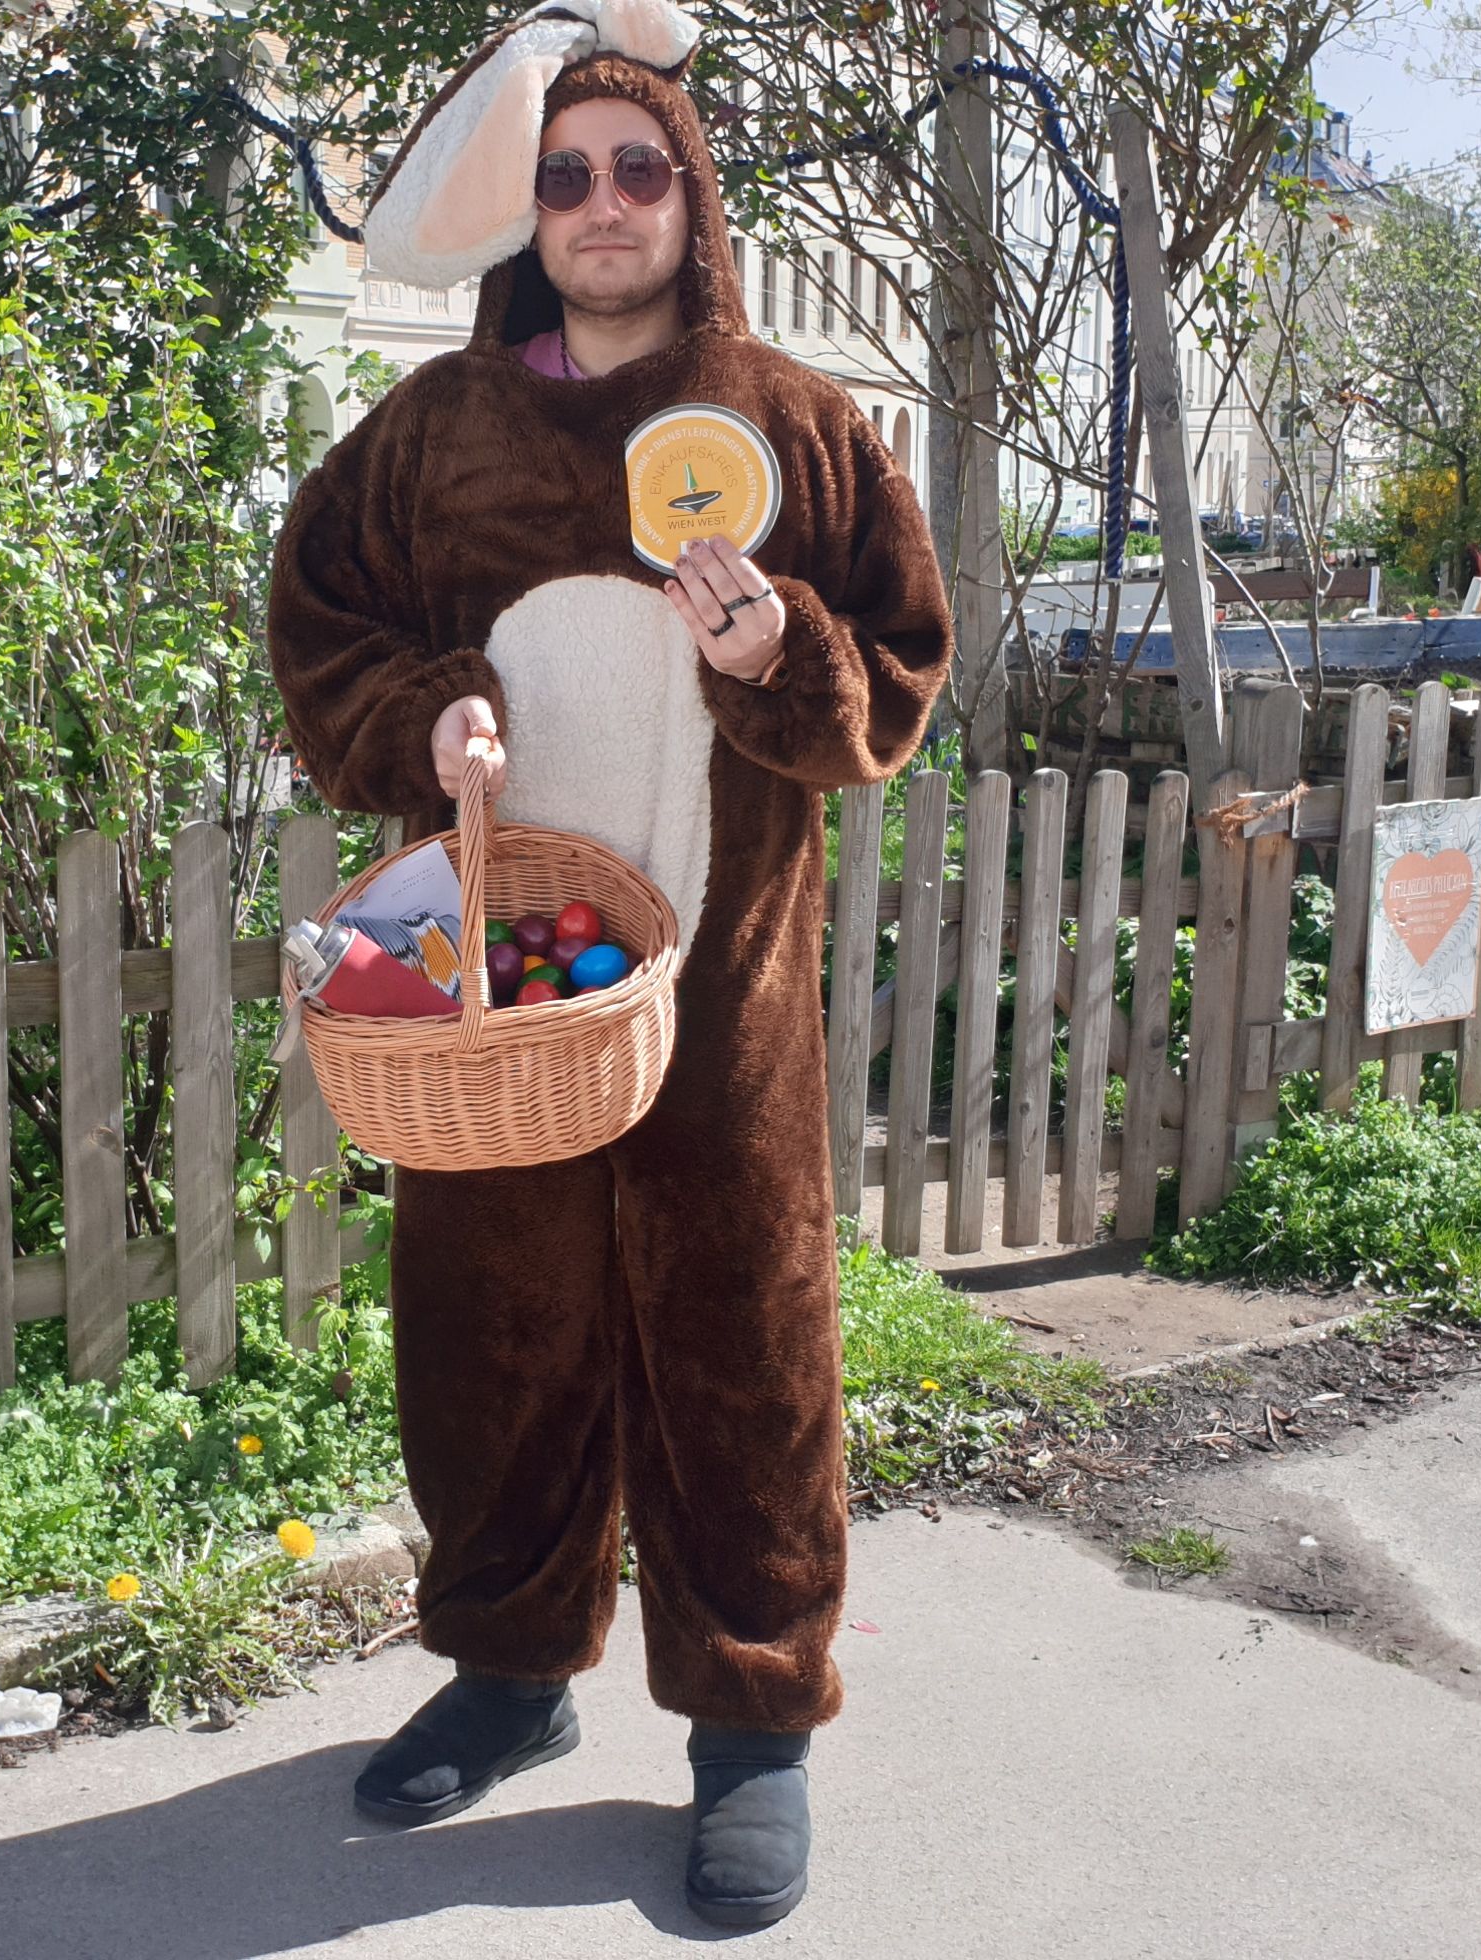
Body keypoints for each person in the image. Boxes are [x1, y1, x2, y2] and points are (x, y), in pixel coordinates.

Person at [263, 0, 950, 1926]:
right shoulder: (431, 438)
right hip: (497, 995)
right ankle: (505, 1677)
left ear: (692, 194)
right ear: (526, 213)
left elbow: (892, 681)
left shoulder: (799, 426)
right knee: (491, 1334)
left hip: (720, 996)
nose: (601, 203)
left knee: (744, 1347)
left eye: (637, 169)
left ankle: (751, 1731)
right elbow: (321, 629)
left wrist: (782, 653)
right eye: (562, 176)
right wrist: (427, 723)